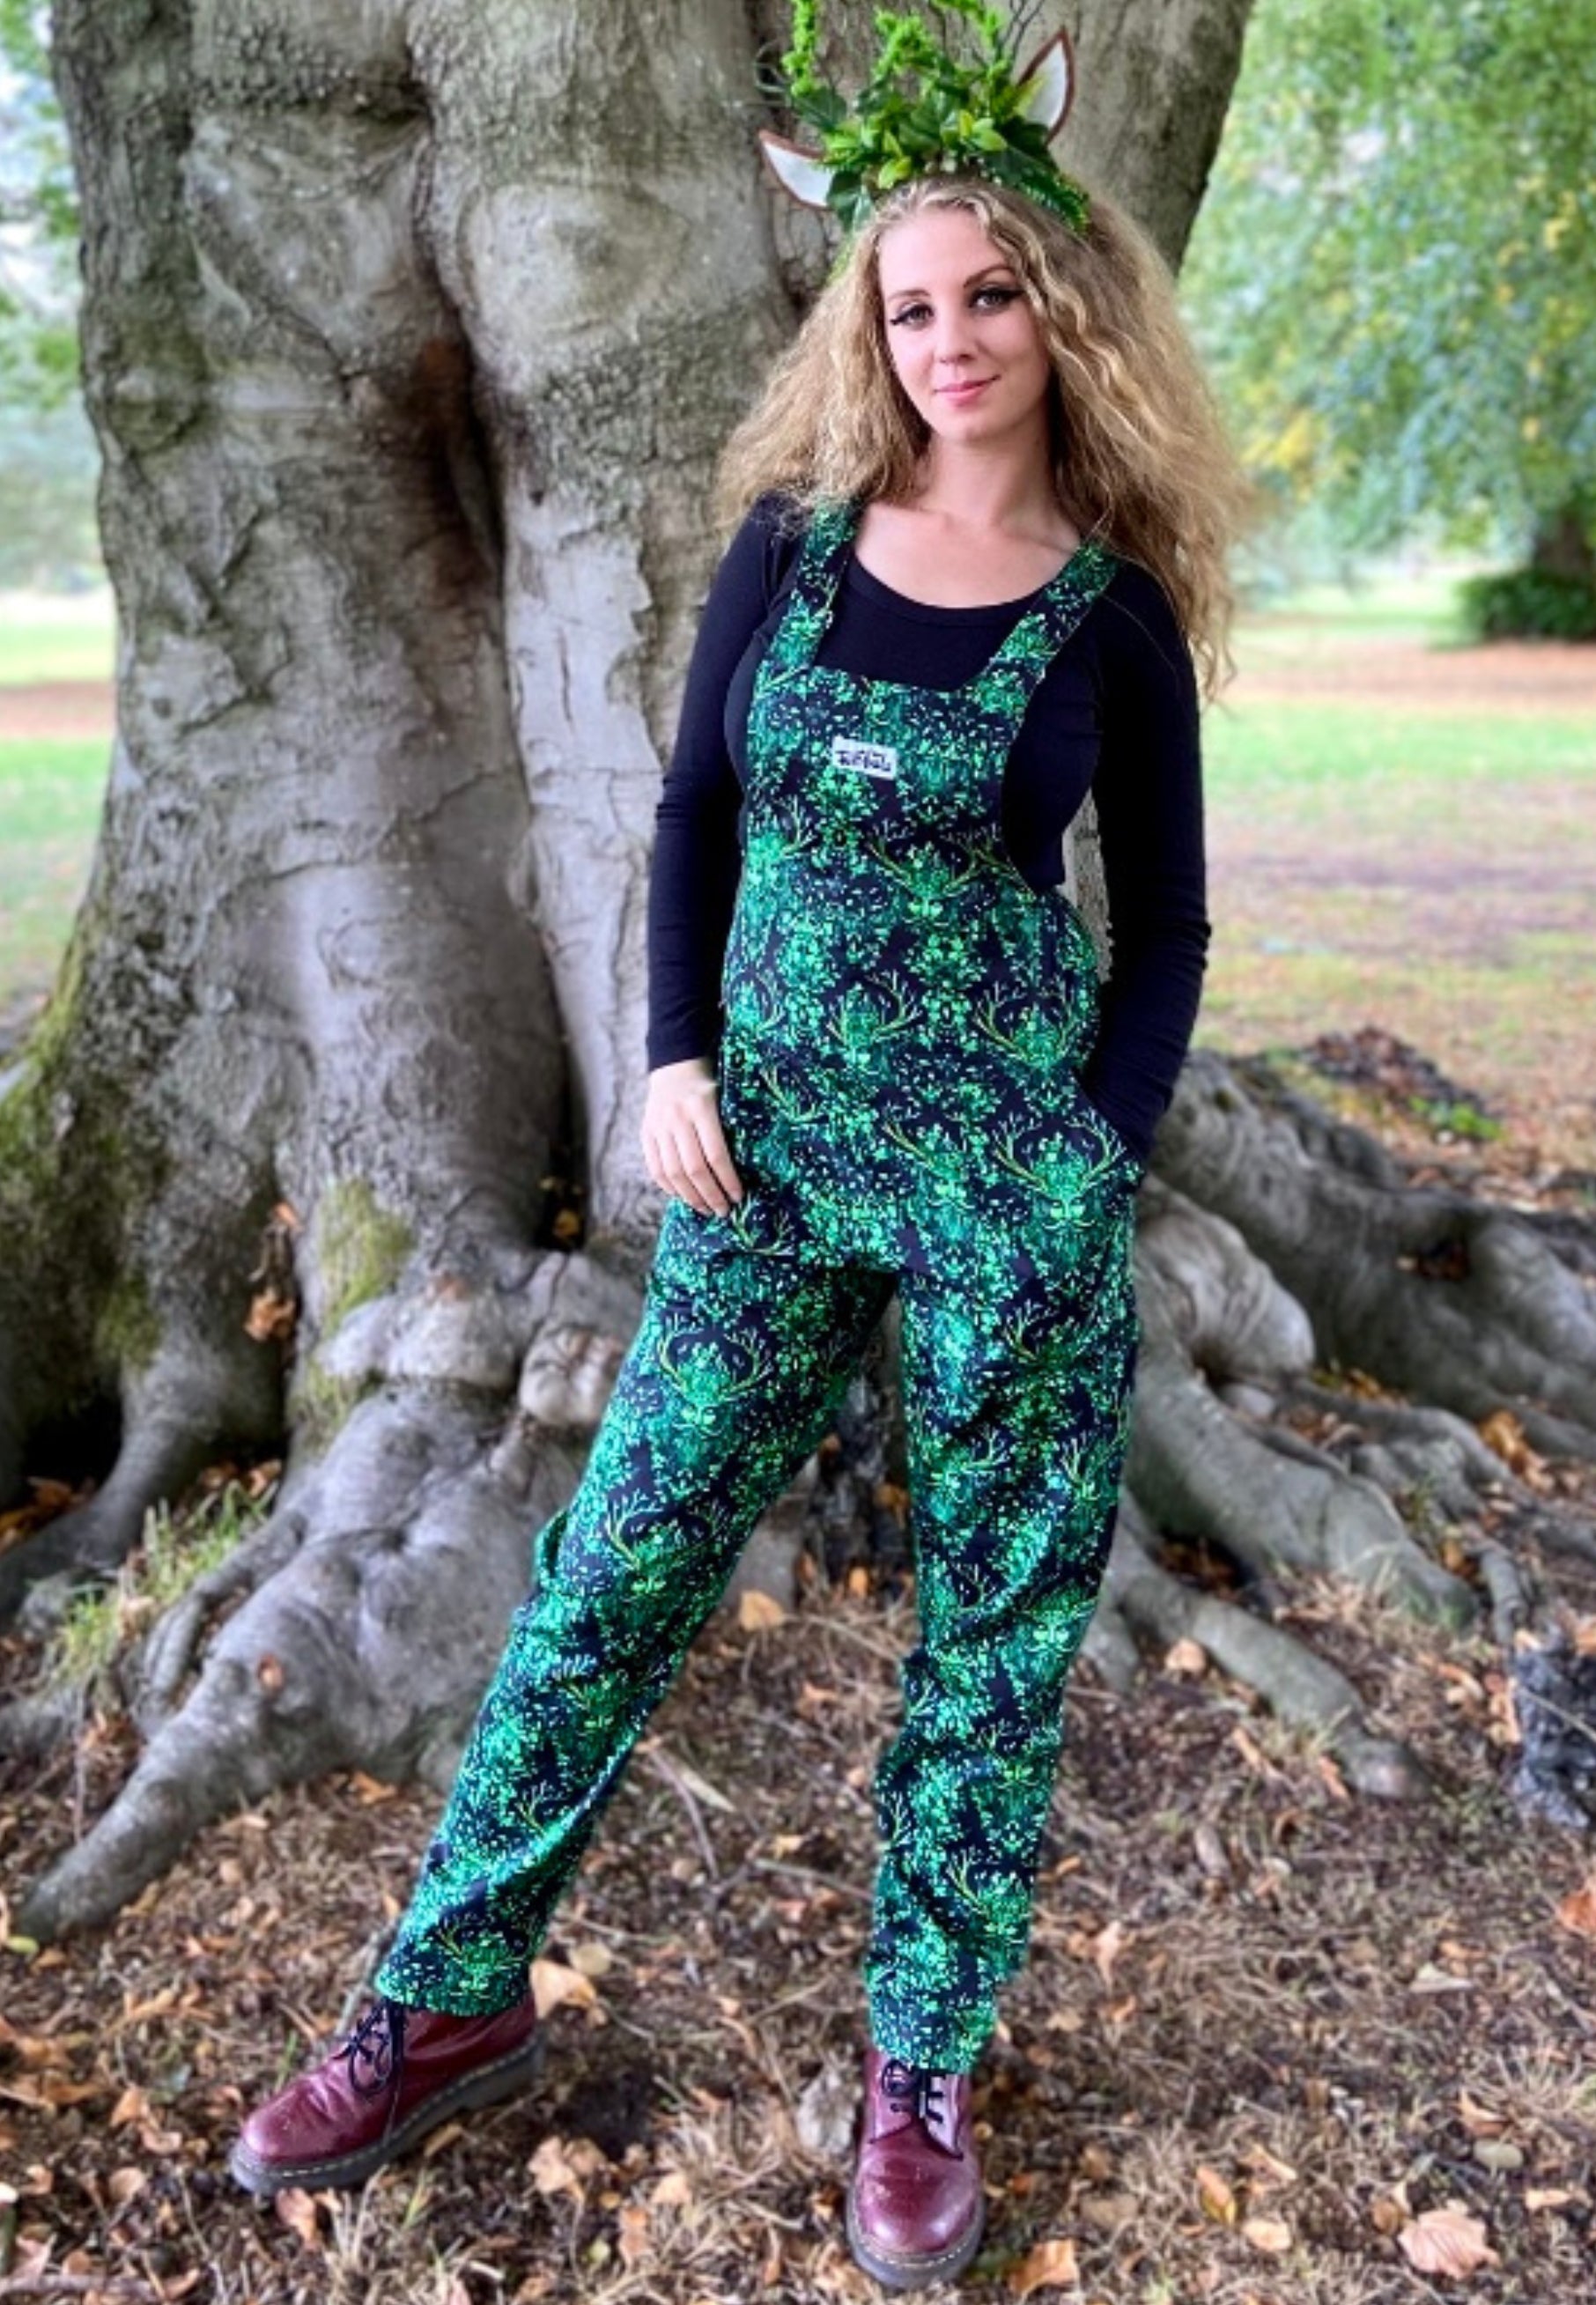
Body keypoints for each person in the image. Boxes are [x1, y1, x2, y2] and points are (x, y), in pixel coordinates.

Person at [230, 9, 1252, 2289]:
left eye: (992, 291)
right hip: (760, 1160)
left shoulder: (1114, 619)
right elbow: (689, 817)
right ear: (861, 325)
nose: (952, 335)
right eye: (909, 300)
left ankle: (917, 2065)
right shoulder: (790, 552)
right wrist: (669, 1061)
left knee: (987, 1633)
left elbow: (1166, 927)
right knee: (611, 1580)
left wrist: (1088, 1148)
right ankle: (440, 1995)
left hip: (1005, 1173)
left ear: (1060, 308)